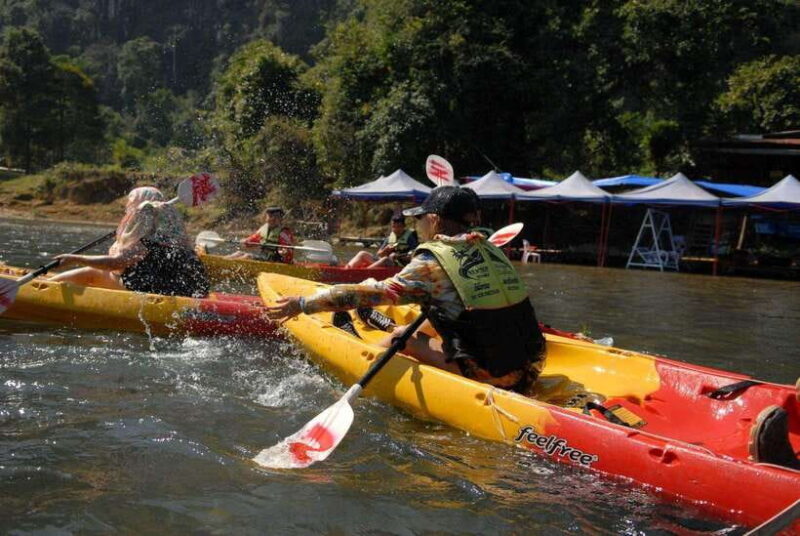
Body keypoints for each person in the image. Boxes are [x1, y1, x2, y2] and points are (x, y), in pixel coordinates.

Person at [267, 186, 546, 394]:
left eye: (419, 219)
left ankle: (358, 357)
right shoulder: (491, 251)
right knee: (432, 316)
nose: (417, 225)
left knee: (403, 336)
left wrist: (303, 304)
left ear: (434, 220)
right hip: (530, 368)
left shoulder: (431, 263)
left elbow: (370, 294)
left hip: (493, 376)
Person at [51, 186, 210, 297]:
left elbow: (117, 263)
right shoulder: (171, 221)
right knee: (99, 272)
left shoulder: (144, 215)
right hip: (194, 289)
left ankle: (44, 286)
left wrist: (74, 259)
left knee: (95, 272)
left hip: (159, 291)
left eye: (130, 201)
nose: (127, 206)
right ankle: (49, 283)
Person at [345, 214, 419, 269]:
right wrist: (386, 249)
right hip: (384, 263)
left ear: (404, 226)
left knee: (385, 259)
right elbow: (379, 254)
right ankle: (347, 269)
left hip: (400, 265)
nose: (396, 229)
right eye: (394, 227)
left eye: (399, 227)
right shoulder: (390, 237)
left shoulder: (410, 237)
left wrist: (398, 256)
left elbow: (415, 255)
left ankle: (364, 273)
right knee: (362, 253)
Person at [228, 206, 295, 263]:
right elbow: (252, 240)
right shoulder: (263, 230)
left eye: (276, 216)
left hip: (275, 260)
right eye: (270, 216)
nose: (273, 219)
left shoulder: (284, 232)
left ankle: (232, 265)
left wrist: (285, 252)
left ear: (281, 219)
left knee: (248, 256)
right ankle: (223, 261)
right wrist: (245, 242)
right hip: (263, 257)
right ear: (266, 218)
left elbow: (289, 251)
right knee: (238, 253)